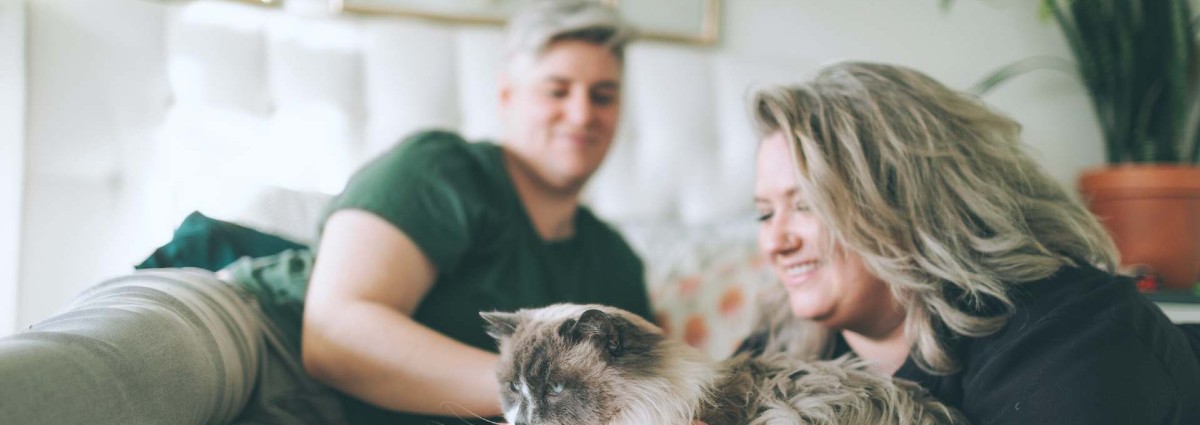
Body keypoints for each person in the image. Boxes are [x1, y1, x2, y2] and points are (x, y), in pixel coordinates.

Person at [0, 2, 651, 424]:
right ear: (508, 95)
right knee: (106, 377)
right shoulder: (444, 170)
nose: (582, 113)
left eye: (603, 95)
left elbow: (652, 388)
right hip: (257, 331)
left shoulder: (616, 263)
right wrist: (551, 396)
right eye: (557, 90)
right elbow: (336, 334)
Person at [742, 61, 1200, 424]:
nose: (775, 242)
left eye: (807, 206)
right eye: (765, 212)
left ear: (909, 199)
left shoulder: (1068, 341)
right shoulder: (781, 340)